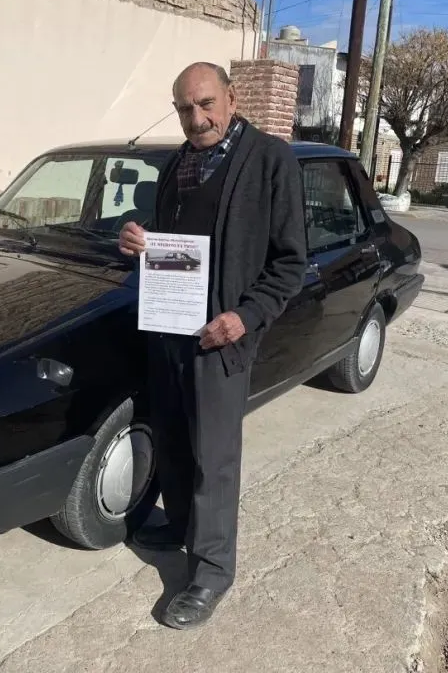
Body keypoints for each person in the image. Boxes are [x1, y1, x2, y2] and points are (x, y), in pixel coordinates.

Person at [118, 61, 307, 630]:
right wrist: (135, 239)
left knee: (214, 460)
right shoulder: (176, 164)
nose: (195, 119)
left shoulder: (271, 160)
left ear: (231, 96)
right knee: (174, 441)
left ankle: (211, 569)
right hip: (170, 330)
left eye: (204, 104)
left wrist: (243, 318)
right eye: (183, 109)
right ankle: (178, 526)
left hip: (221, 339)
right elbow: (170, 245)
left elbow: (291, 263)